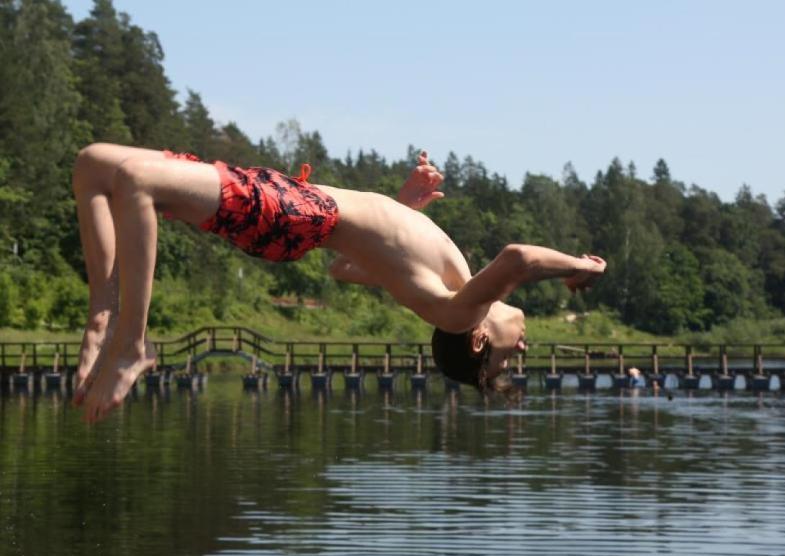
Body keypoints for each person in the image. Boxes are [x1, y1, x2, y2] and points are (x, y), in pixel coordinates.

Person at [71, 143, 607, 422]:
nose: (524, 347)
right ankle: (104, 314)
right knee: (94, 166)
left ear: (479, 341)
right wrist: (406, 206)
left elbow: (517, 259)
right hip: (300, 210)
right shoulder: (446, 294)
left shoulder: (460, 311)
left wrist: (578, 266)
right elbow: (345, 267)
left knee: (137, 183)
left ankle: (132, 345)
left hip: (299, 214)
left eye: (507, 360)